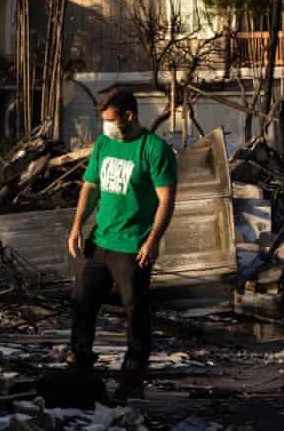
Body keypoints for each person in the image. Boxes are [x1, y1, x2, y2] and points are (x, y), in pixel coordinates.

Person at [66, 89, 178, 402]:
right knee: (82, 300)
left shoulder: (154, 149)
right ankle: (80, 360)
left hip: (133, 246)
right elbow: (89, 187)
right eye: (104, 122)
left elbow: (166, 200)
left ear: (129, 115)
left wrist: (153, 240)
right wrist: (77, 226)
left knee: (135, 308)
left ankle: (134, 368)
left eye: (112, 122)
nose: (108, 129)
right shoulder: (103, 144)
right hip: (100, 240)